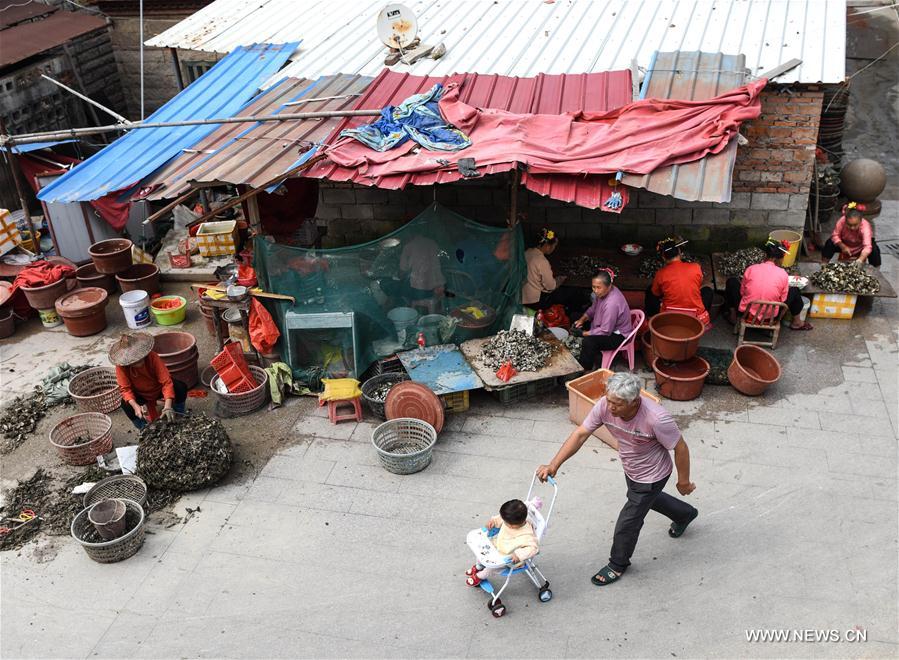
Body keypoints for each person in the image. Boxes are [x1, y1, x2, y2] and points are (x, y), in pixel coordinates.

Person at [536, 372, 697, 586]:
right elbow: (581, 434)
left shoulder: (657, 418)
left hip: (653, 475)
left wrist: (683, 481)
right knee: (646, 500)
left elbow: (680, 447)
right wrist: (554, 464)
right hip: (631, 468)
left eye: (617, 405)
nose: (610, 408)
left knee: (628, 521)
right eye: (609, 400)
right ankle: (685, 514)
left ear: (635, 402)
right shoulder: (605, 404)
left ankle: (618, 564)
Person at [724, 239, 813, 331]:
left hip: (746, 314)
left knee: (732, 281)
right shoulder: (783, 274)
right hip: (770, 317)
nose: (782, 261)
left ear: (766, 255)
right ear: (776, 259)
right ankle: (797, 322)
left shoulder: (751, 269)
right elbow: (782, 300)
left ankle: (733, 316)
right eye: (782, 258)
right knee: (794, 290)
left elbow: (742, 292)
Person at [108, 332, 187, 430]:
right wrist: (135, 406)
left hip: (158, 389)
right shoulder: (121, 366)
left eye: (140, 359)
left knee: (180, 387)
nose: (138, 363)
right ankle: (144, 428)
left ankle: (178, 414)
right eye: (134, 362)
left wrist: (167, 406)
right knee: (126, 405)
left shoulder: (152, 357)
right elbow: (125, 389)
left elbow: (166, 382)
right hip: (140, 393)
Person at [465, 499, 539, 587]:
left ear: (512, 525)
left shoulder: (527, 535)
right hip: (498, 545)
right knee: (481, 551)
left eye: (505, 522)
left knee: (491, 569)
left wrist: (519, 555)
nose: (503, 521)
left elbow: (533, 548)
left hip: (508, 559)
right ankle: (479, 567)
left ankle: (479, 576)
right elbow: (500, 518)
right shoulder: (509, 519)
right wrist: (493, 522)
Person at [573, 269, 633, 370]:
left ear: (609, 286)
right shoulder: (602, 293)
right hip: (604, 324)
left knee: (589, 341)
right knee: (574, 317)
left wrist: (583, 333)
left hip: (617, 335)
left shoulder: (612, 304)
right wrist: (582, 320)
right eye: (593, 287)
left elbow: (605, 330)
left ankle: (585, 369)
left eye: (598, 287)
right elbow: (593, 309)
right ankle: (583, 349)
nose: (595, 290)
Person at [645, 238, 713, 325]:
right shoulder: (696, 267)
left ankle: (652, 321)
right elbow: (698, 284)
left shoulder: (660, 274)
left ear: (663, 257)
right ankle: (699, 325)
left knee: (650, 291)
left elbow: (656, 293)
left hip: (669, 316)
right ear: (680, 253)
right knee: (707, 291)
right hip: (695, 318)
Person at [521, 228, 582, 314]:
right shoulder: (542, 261)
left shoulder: (526, 253)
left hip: (522, 297)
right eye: (554, 246)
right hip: (535, 302)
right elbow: (551, 286)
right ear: (547, 245)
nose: (554, 249)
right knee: (572, 292)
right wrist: (559, 280)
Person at [822, 202, 881, 267]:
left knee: (874, 248)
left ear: (861, 221)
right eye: (849, 225)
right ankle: (824, 263)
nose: (852, 228)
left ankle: (876, 268)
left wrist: (860, 260)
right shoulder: (842, 221)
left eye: (855, 225)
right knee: (830, 242)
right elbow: (835, 235)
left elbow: (867, 246)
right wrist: (842, 246)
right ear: (845, 220)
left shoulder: (865, 226)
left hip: (860, 247)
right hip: (845, 244)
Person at [399, 234, 446, 305]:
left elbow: (403, 269)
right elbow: (441, 262)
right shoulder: (433, 243)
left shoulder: (408, 246)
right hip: (439, 289)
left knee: (396, 288)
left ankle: (410, 308)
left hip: (419, 292)